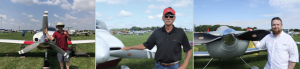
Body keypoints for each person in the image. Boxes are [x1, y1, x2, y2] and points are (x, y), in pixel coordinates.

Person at [120, 7, 192, 69]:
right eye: (166, 16)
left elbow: (188, 49)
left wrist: (185, 64)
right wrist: (129, 47)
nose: (168, 18)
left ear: (174, 18)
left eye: (171, 16)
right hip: (159, 66)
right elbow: (146, 45)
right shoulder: (157, 32)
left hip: (174, 66)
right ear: (163, 18)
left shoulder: (180, 32)